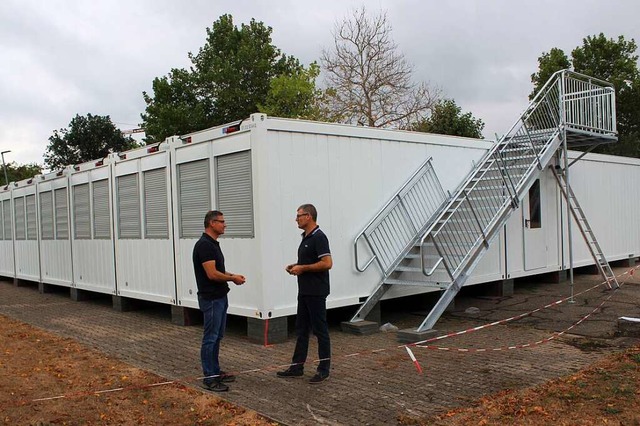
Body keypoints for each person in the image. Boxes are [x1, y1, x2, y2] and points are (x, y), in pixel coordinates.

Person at [277, 204, 333, 384]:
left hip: (316, 292)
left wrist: (304, 268)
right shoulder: (306, 238)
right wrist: (296, 266)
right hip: (304, 291)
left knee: (320, 330)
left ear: (308, 216)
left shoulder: (319, 237)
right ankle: (297, 367)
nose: (296, 219)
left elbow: (327, 263)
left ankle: (323, 369)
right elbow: (309, 262)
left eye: (299, 216)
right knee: (301, 329)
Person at [193, 210, 246, 392]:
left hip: (220, 297)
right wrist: (232, 279)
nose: (225, 225)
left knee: (217, 337)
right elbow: (212, 274)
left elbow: (219, 270)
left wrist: (232, 275)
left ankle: (216, 371)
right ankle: (209, 377)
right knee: (210, 338)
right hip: (212, 299)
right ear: (211, 223)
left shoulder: (213, 244)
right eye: (221, 221)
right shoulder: (205, 245)